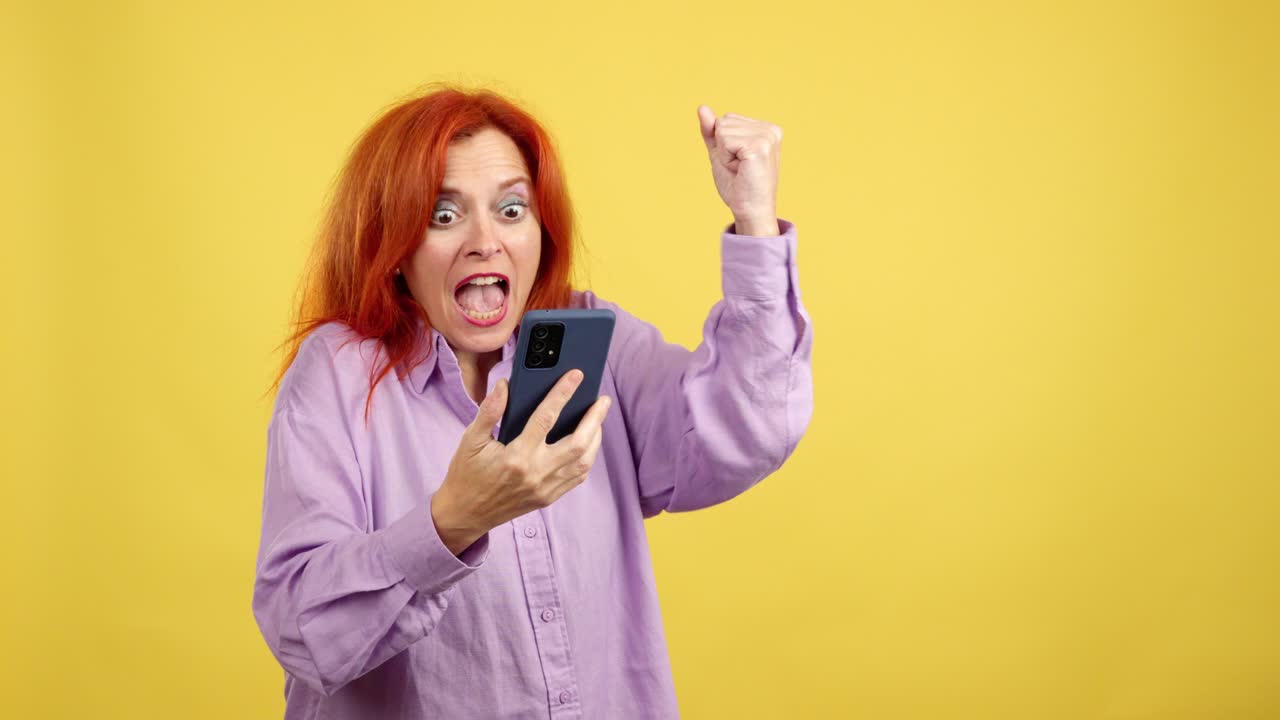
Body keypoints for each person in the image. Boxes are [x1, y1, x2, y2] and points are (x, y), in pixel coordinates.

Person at [251, 84, 814, 719]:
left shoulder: (588, 339)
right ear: (396, 248)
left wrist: (755, 223)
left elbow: (748, 430)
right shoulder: (339, 375)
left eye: (512, 209)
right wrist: (452, 520)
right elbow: (301, 631)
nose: (484, 241)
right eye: (444, 215)